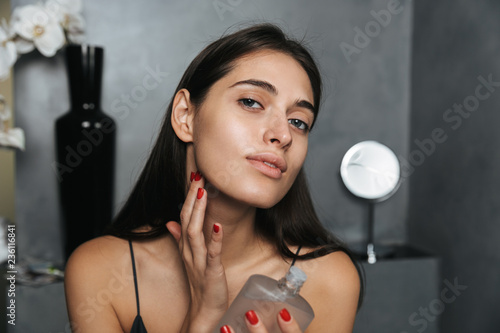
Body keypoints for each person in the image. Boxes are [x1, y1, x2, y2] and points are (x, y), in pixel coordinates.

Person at [64, 23, 363, 333]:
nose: (283, 134)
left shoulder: (329, 280)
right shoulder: (99, 272)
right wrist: (203, 316)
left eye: (299, 122)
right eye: (251, 102)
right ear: (185, 116)